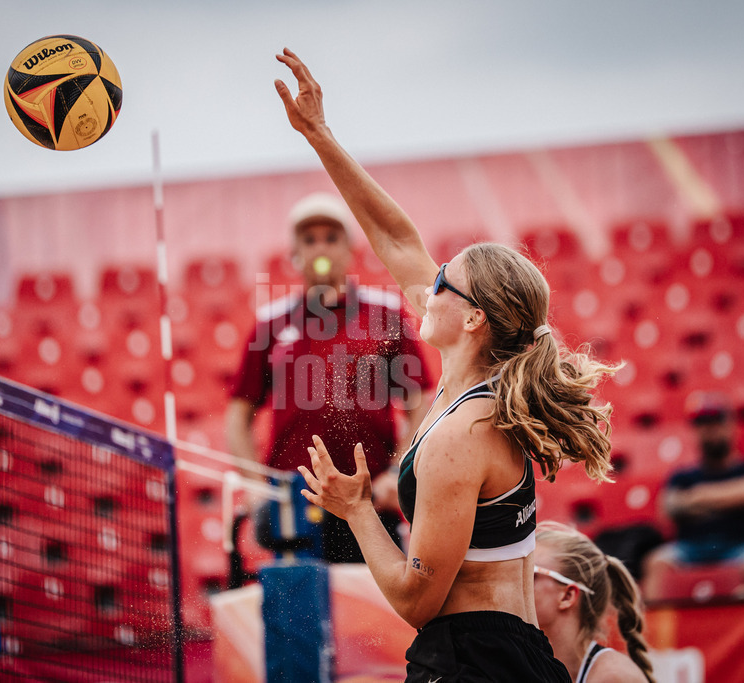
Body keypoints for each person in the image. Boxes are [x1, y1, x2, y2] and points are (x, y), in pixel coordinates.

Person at [276, 48, 618, 681]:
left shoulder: (462, 434)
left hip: (474, 660)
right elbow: (398, 240)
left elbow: (415, 599)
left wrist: (354, 511)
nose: (425, 286)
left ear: (472, 318)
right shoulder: (474, 380)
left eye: (442, 284)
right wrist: (320, 136)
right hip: (497, 654)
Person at [226, 191, 434, 563]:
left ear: (349, 249)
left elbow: (422, 404)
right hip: (295, 500)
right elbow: (238, 416)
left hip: (370, 498)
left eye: (331, 237)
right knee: (303, 612)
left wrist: (397, 472)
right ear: (295, 253)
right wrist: (255, 485)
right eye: (309, 239)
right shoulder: (271, 324)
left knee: (375, 613)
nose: (320, 247)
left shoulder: (385, 315)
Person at [641, 391, 744, 600]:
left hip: (743, 545)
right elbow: (669, 508)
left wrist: (696, 498)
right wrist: (731, 498)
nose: (709, 430)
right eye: (702, 424)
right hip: (691, 547)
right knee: (656, 562)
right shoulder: (682, 475)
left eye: (715, 422)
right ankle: (654, 629)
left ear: (731, 426)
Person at [534, 522, 655, 683]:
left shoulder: (614, 675)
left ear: (567, 596)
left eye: (530, 574)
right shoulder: (524, 664)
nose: (514, 582)